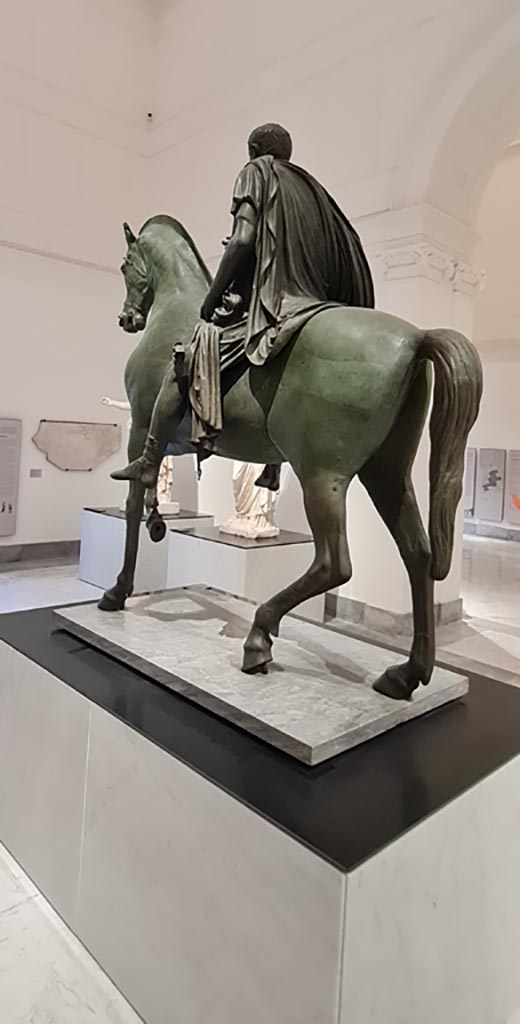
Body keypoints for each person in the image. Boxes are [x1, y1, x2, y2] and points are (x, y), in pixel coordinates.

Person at [112, 123, 374, 488]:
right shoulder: (314, 190)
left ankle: (149, 460)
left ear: (253, 149)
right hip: (317, 301)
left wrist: (212, 298)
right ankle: (273, 465)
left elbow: (243, 240)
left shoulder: (257, 172)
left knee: (183, 363)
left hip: (277, 304)